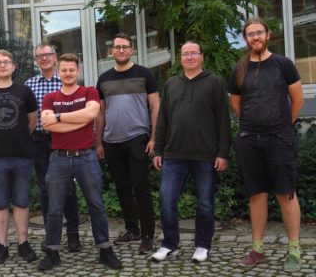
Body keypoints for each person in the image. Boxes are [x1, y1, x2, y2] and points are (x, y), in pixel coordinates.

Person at [228, 17, 304, 272]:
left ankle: (294, 249)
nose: (255, 37)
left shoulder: (283, 64)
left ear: (268, 35)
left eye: (259, 32)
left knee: (286, 194)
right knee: (256, 195)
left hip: (280, 139)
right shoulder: (238, 69)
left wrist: (281, 125)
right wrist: (255, 124)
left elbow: (298, 101)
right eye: (250, 34)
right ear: (246, 38)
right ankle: (257, 248)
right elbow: (236, 104)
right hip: (249, 139)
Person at [37, 53, 122, 271]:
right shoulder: (50, 98)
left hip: (86, 156)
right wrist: (77, 118)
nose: (67, 73)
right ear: (59, 71)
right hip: (59, 158)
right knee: (54, 208)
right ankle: (53, 252)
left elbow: (92, 113)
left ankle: (105, 249)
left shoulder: (88, 92)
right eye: (63, 70)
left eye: (71, 70)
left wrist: (59, 117)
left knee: (96, 204)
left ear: (78, 71)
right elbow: (47, 125)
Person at [150, 41, 231, 263]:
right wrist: (158, 149)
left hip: (205, 155)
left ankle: (203, 246)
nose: (189, 57)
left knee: (205, 203)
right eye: (185, 54)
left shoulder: (215, 82)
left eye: (193, 53)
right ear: (181, 58)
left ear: (201, 56)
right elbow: (163, 119)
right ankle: (169, 244)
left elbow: (224, 119)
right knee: (166, 200)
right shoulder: (171, 84)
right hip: (173, 154)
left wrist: (223, 152)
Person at [95, 32, 160, 253]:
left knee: (141, 187)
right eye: (117, 47)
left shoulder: (145, 74)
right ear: (111, 51)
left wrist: (154, 138)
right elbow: (100, 113)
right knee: (122, 188)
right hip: (111, 141)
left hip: (137, 139)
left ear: (131, 50)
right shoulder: (103, 78)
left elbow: (156, 107)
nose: (121, 50)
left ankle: (148, 235)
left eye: (125, 47)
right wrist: (99, 143)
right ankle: (132, 230)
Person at [0, 49, 38, 265]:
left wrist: (17, 138)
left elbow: (31, 121)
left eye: (7, 62)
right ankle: (2, 245)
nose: (3, 65)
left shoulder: (25, 92)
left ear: (13, 66)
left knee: (21, 200)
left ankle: (23, 243)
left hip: (22, 155)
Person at [24, 43, 81, 252]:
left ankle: (73, 235)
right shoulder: (29, 84)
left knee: (68, 189)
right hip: (39, 141)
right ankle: (51, 235)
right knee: (46, 189)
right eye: (40, 56)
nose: (44, 58)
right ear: (36, 60)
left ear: (55, 57)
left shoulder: (66, 80)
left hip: (64, 139)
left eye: (48, 55)